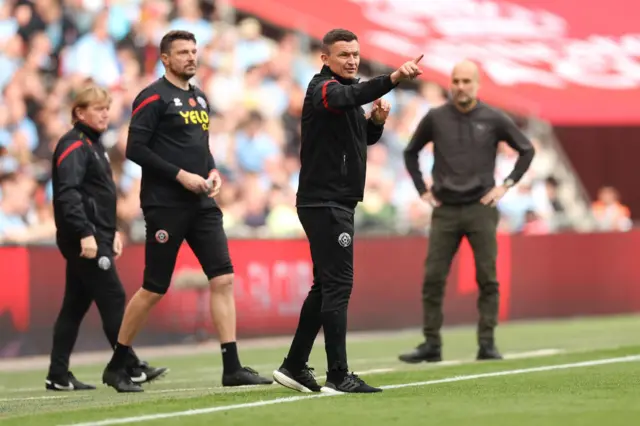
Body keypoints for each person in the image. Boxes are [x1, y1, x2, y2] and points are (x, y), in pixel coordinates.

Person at [102, 30, 272, 392]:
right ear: (165, 58)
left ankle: (232, 366)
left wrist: (212, 172)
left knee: (223, 278)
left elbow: (201, 148)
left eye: (194, 51)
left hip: (202, 202)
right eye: (182, 52)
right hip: (166, 204)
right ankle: (118, 363)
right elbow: (135, 149)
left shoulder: (199, 97)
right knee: (154, 287)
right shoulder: (152, 97)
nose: (191, 57)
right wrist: (181, 176)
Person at [271, 28, 423, 394]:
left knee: (326, 285)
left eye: (355, 54)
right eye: (344, 55)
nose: (352, 60)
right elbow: (351, 95)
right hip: (325, 201)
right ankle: (338, 375)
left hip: (334, 201)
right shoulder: (323, 88)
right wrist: (394, 78)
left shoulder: (343, 95)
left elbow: (359, 141)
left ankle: (294, 365)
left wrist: (376, 124)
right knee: (338, 284)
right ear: (325, 59)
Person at [398, 60, 535, 364]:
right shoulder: (435, 118)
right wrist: (422, 189)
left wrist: (506, 185)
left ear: (477, 84)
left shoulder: (493, 118)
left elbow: (526, 150)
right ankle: (431, 343)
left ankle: (487, 343)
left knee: (487, 277)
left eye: (466, 81)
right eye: (456, 81)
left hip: (480, 208)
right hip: (445, 208)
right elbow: (410, 152)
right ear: (451, 83)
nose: (461, 87)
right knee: (433, 277)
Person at [47, 85, 167, 392]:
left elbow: (98, 195)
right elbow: (68, 195)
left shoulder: (93, 145)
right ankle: (129, 365)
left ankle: (58, 375)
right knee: (113, 297)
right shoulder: (74, 145)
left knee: (74, 305)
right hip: (83, 237)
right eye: (98, 108)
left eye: (106, 108)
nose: (105, 114)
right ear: (79, 113)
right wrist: (86, 233)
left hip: (96, 233)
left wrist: (110, 229)